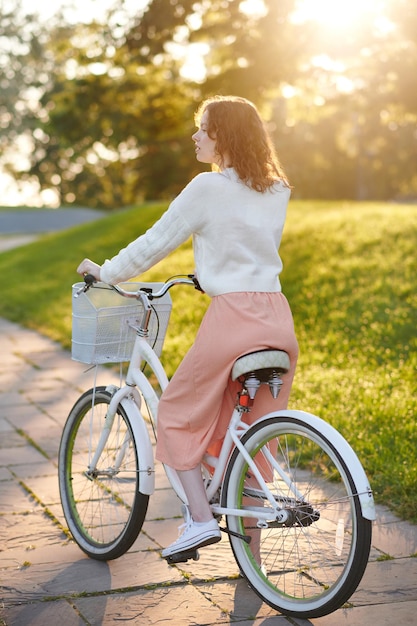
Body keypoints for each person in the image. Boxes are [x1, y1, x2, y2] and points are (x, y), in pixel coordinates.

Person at [77, 95, 299, 560]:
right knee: (253, 438)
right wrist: (210, 270)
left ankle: (200, 520)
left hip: (234, 319)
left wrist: (106, 272)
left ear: (224, 136)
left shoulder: (206, 187)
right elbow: (246, 245)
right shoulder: (277, 188)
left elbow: (154, 243)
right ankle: (253, 563)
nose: (195, 136)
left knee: (174, 414)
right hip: (277, 317)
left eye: (203, 128)